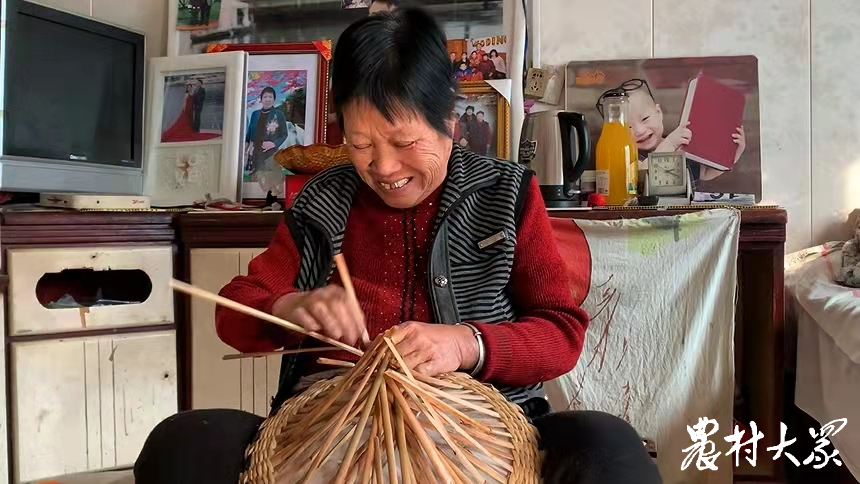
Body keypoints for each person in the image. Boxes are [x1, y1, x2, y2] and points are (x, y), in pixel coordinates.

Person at [134, 9, 663, 484]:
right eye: (361, 145)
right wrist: (290, 306)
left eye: (405, 143)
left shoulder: (505, 193)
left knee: (608, 447)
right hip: (334, 424)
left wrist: (464, 344)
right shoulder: (321, 202)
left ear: (450, 124)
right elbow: (236, 310)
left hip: (486, 427)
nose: (383, 168)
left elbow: (560, 332)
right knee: (183, 444)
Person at [621, 78, 746, 189]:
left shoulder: (682, 147)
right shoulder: (632, 157)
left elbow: (706, 173)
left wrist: (733, 155)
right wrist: (669, 143)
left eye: (645, 119)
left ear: (658, 113)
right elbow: (642, 176)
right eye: (628, 126)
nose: (639, 130)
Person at [244, 86, 290, 177]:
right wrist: (245, 150)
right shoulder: (255, 114)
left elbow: (284, 134)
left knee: (269, 179)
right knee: (253, 178)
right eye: (265, 97)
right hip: (254, 151)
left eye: (270, 97)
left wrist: (273, 144)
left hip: (270, 152)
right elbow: (249, 133)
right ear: (261, 99)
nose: (267, 99)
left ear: (274, 99)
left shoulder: (279, 114)